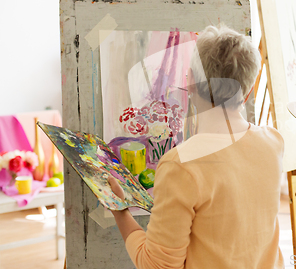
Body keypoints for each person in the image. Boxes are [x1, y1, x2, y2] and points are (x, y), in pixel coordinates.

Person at [108, 24, 285, 269]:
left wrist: (119, 210)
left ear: (190, 81)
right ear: (248, 90)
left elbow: (158, 266)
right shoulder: (273, 142)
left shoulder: (181, 164)